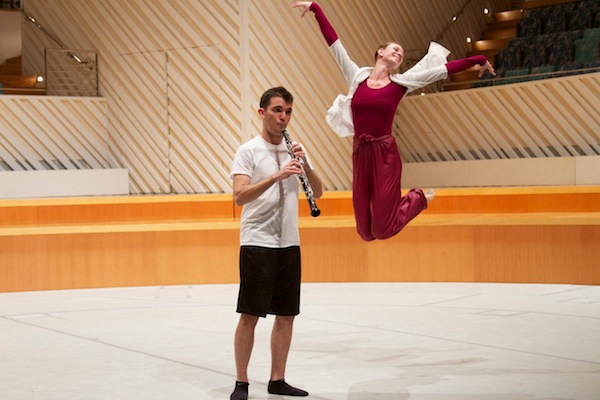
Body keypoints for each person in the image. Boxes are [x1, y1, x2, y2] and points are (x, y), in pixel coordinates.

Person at [292, 2, 496, 241]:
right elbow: (335, 45)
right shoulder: (356, 77)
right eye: (394, 49)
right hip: (360, 151)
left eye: (401, 53)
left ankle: (418, 198)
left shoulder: (401, 84)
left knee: (381, 229)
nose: (399, 53)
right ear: (380, 52)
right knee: (365, 233)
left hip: (385, 154)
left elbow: (442, 71)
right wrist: (316, 8)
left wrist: (478, 59)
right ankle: (401, 207)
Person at [229, 86, 323, 400]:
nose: (283, 117)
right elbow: (240, 196)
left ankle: (277, 379)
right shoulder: (248, 151)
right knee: (251, 314)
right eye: (277, 110)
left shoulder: (295, 149)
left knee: (286, 314)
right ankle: (241, 382)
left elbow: (319, 193)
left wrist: (304, 164)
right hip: (257, 242)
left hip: (289, 243)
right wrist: (277, 176)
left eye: (288, 112)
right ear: (262, 112)